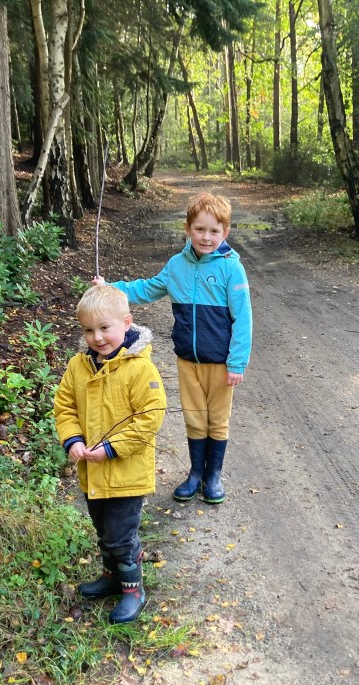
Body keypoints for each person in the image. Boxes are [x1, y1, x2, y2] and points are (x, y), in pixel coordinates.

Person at [92, 192, 251, 504]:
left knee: (216, 419)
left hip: (220, 363)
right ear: (187, 229)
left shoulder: (232, 269)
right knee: (194, 417)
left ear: (225, 233)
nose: (206, 237)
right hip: (187, 361)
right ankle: (194, 473)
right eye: (200, 229)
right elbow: (147, 288)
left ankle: (212, 475)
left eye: (214, 231)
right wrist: (112, 288)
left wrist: (237, 363)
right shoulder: (176, 266)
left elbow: (243, 319)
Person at [53, 284, 166, 624]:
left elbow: (150, 416)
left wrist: (112, 448)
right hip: (92, 471)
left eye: (105, 328)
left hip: (126, 473)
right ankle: (111, 575)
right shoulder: (79, 366)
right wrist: (72, 439)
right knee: (103, 528)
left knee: (121, 533)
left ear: (127, 323)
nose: (97, 337)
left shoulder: (139, 369)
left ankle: (133, 588)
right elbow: (65, 405)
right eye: (89, 330)